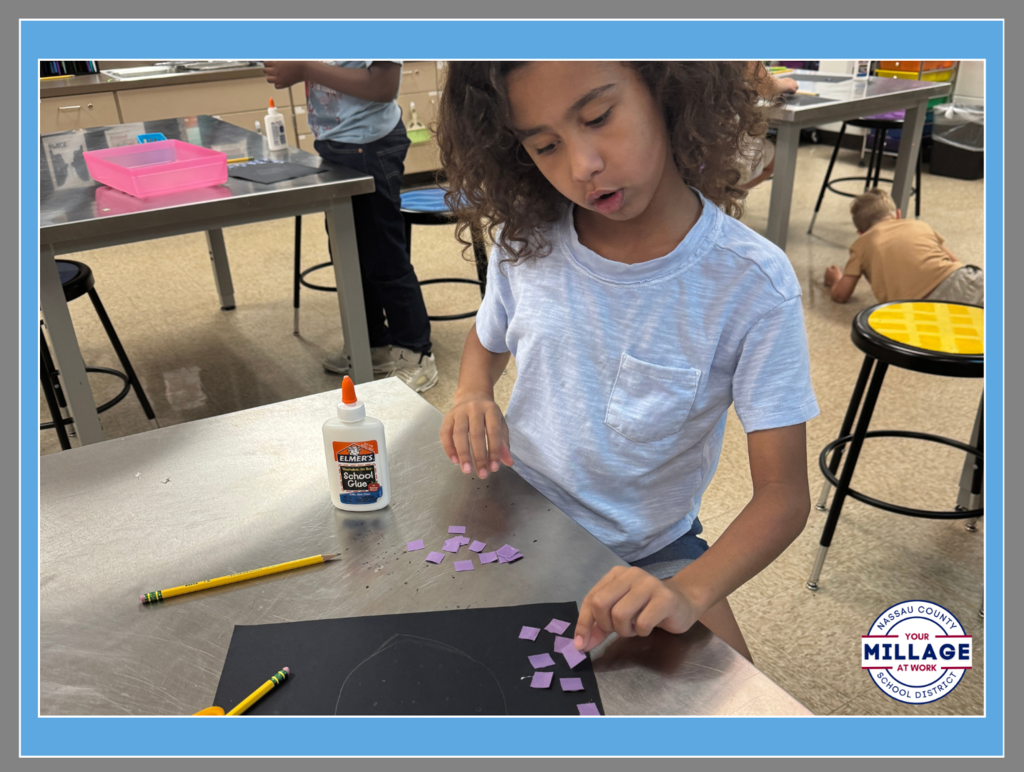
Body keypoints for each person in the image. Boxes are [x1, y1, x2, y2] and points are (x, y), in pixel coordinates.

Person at [434, 62, 819, 661]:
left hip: (651, 550)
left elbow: (784, 495)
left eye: (598, 118)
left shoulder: (751, 284)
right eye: (545, 145)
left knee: (736, 706)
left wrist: (687, 591)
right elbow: (489, 339)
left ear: (668, 94)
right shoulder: (526, 242)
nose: (582, 165)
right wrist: (472, 393)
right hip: (520, 520)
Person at [263, 60, 438, 393]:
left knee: (385, 256)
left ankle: (416, 353)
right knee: (349, 254)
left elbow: (382, 87)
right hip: (335, 145)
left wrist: (304, 69)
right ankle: (373, 345)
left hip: (371, 147)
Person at [824, 187, 984, 307]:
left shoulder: (861, 244)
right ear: (899, 215)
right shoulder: (920, 225)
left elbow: (841, 295)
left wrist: (835, 280)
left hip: (920, 308)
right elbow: (954, 261)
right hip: (962, 281)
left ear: (860, 232)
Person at [736, 62, 799, 190]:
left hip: (688, 145)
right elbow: (765, 87)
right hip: (716, 148)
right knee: (774, 160)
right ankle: (723, 199)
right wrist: (786, 84)